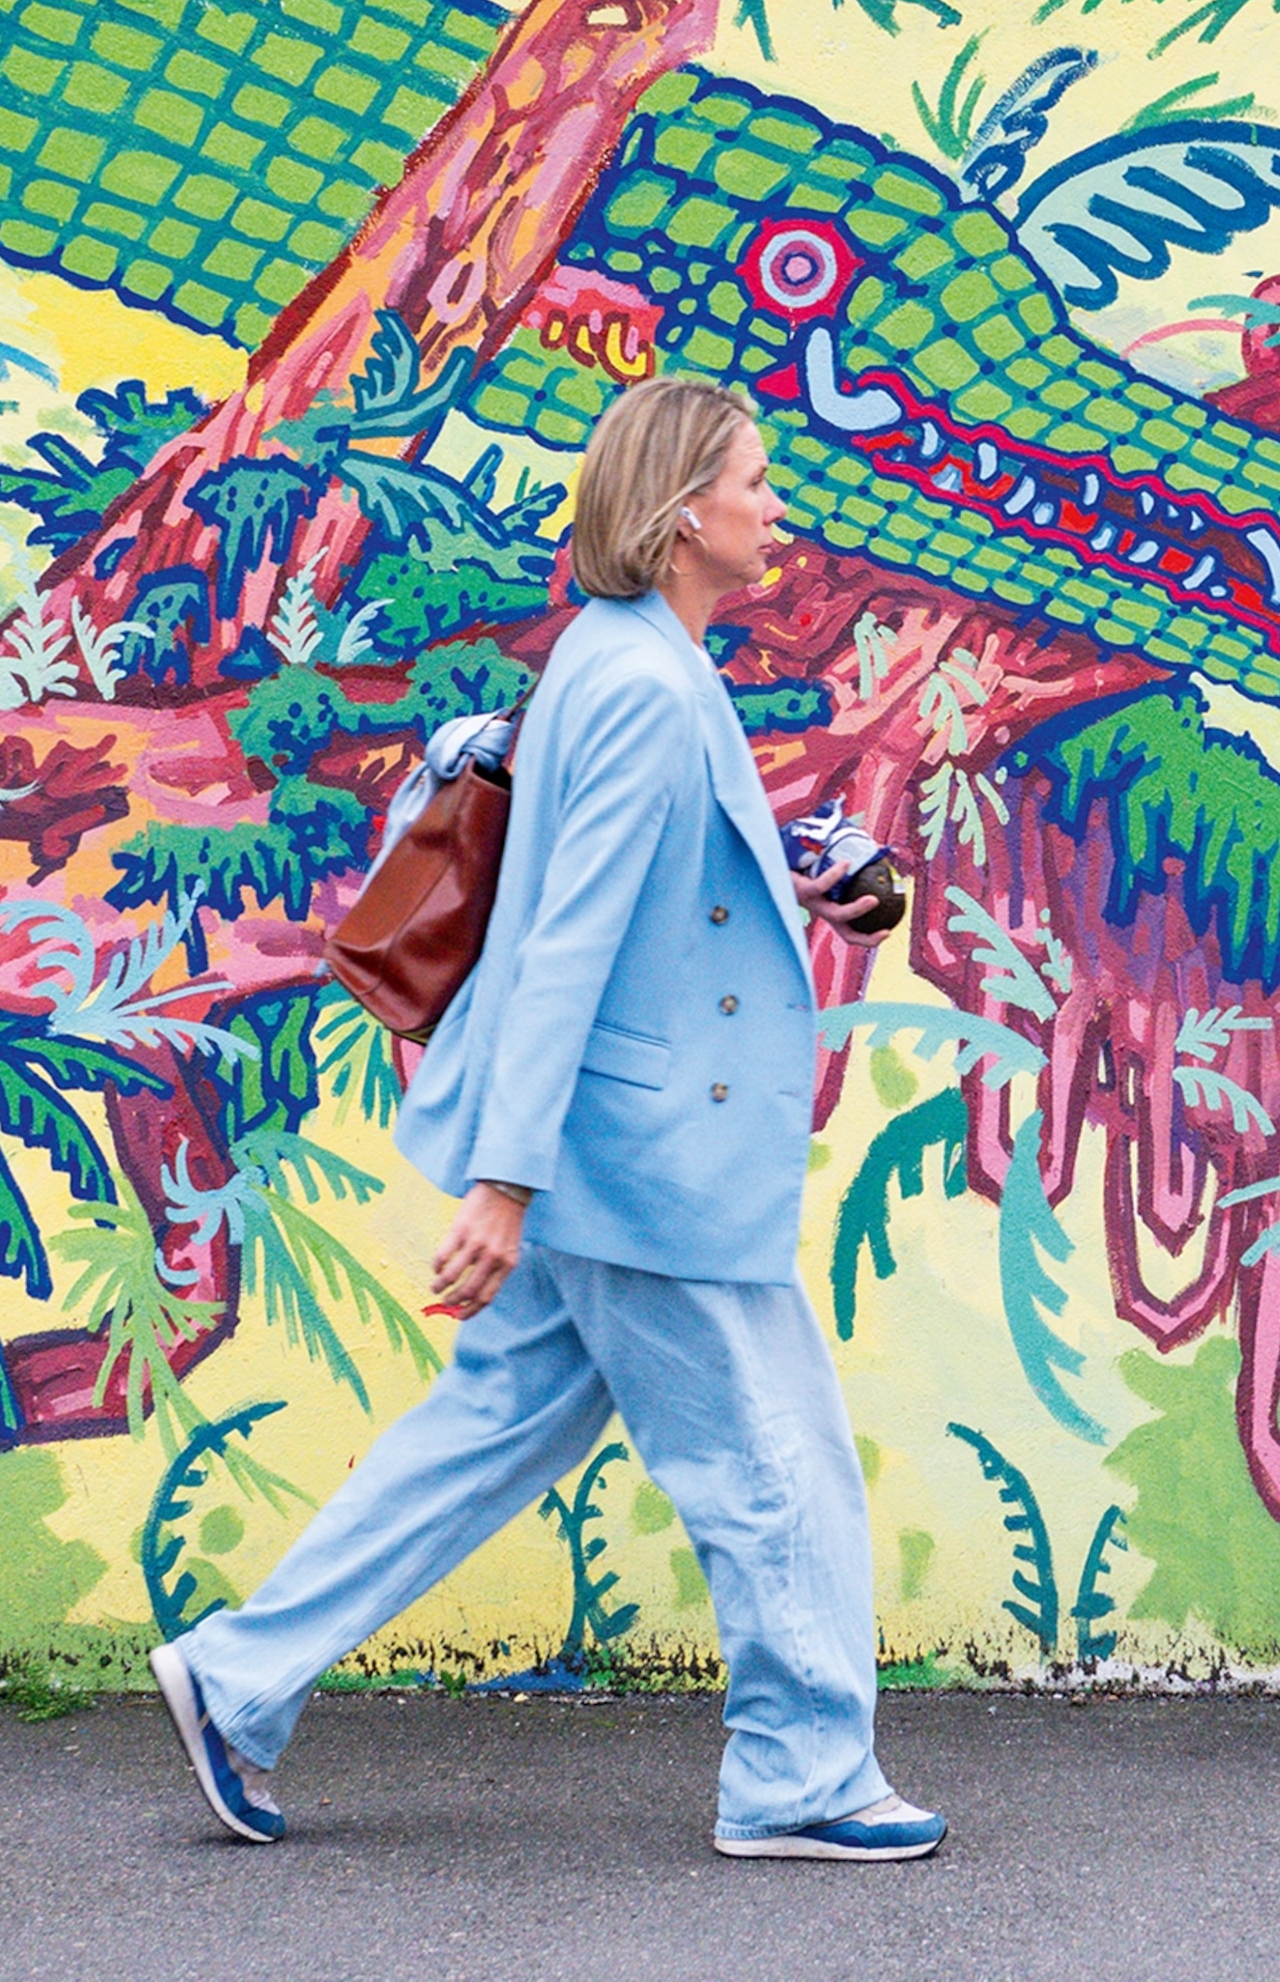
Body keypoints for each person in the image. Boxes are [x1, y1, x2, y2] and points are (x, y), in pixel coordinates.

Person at [148, 374, 942, 1863]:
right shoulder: (643, 681)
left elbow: (637, 889)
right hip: (637, 1158)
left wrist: (789, 871)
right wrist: (505, 1184)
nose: (776, 506)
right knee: (772, 1460)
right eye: (754, 482)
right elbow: (568, 938)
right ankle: (799, 1772)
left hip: (608, 1140)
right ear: (680, 510)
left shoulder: (619, 655)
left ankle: (239, 1677)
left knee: (484, 1431)